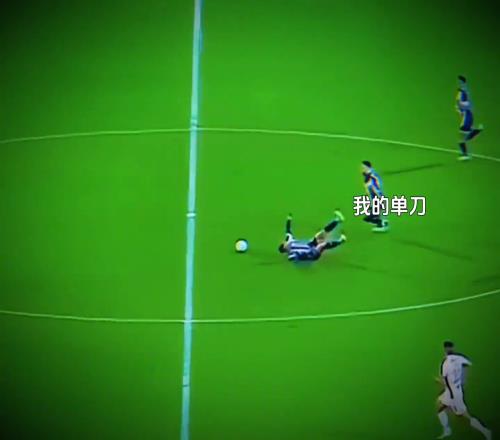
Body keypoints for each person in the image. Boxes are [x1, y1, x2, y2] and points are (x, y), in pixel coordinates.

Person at [436, 341, 492, 439]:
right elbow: (468, 364)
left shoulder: (445, 363)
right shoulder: (459, 357)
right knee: (440, 406)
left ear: (444, 350)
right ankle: (447, 430)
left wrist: (439, 382)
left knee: (464, 415)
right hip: (456, 389)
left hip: (452, 394)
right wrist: (462, 378)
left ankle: (485, 431)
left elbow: (445, 381)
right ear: (453, 348)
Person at [278, 211, 346, 262]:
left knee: (320, 234)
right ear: (285, 248)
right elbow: (295, 258)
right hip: (312, 254)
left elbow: (288, 230)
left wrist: (289, 219)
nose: (286, 242)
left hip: (310, 245)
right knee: (322, 245)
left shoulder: (291, 241)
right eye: (285, 244)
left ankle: (338, 220)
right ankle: (341, 241)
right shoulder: (292, 254)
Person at [456, 75, 483, 160]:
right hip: (466, 117)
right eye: (458, 82)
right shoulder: (462, 92)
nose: (459, 83)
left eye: (460, 82)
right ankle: (476, 131)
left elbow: (466, 105)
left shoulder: (463, 93)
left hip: (466, 118)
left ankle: (465, 155)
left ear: (464, 83)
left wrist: (459, 105)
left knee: (461, 139)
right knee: (463, 138)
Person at [361, 160, 389, 232]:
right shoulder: (367, 174)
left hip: (377, 197)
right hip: (374, 197)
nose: (362, 168)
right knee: (374, 213)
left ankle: (383, 225)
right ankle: (381, 223)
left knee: (374, 213)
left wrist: (379, 196)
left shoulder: (372, 176)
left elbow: (376, 186)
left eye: (363, 167)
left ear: (368, 167)